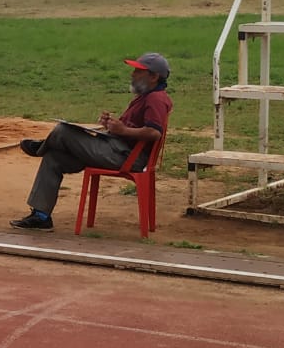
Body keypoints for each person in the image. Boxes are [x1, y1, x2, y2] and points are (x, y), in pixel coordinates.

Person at [11, 53, 173, 232]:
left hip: (125, 157)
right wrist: (110, 125)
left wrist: (123, 130)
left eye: (138, 71)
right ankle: (41, 217)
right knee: (53, 158)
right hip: (115, 149)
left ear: (154, 76)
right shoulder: (146, 96)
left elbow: (154, 132)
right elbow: (130, 128)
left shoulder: (155, 99)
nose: (132, 74)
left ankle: (40, 147)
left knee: (62, 131)